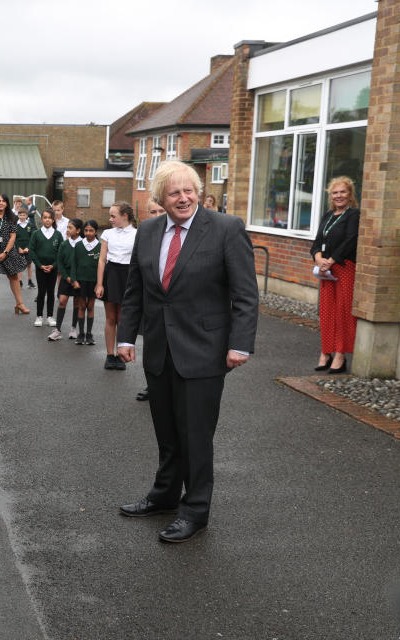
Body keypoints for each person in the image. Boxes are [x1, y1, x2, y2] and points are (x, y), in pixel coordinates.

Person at [116, 160, 258, 543]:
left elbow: (245, 294)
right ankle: (164, 495)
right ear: (160, 197)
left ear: (198, 192)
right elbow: (136, 291)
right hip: (160, 350)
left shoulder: (226, 229)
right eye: (175, 192)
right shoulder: (147, 231)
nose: (183, 198)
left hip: (205, 352)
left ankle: (194, 509)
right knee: (167, 431)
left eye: (189, 190)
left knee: (196, 435)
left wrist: (240, 343)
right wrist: (126, 337)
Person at [311, 176, 361, 374]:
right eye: (335, 192)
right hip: (326, 271)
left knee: (343, 312)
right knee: (326, 312)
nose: (339, 196)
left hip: (344, 268)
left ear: (350, 195)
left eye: (343, 192)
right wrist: (318, 258)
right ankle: (326, 352)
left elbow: (351, 240)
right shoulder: (328, 215)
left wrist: (330, 261)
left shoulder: (353, 214)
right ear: (330, 196)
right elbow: (316, 241)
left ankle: (341, 354)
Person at [95, 202, 137, 369]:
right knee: (111, 317)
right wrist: (99, 284)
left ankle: (121, 354)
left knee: (122, 318)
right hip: (111, 275)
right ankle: (109, 354)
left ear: (125, 216)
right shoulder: (107, 234)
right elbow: (101, 260)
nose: (110, 219)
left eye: (113, 216)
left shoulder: (137, 234)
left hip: (128, 275)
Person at [135, 199, 167, 401]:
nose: (157, 216)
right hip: (151, 303)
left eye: (161, 211)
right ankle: (152, 384)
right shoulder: (146, 233)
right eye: (152, 212)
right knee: (151, 346)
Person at [0, 193, 30, 315]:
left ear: (7, 203)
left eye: (3, 201)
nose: (1, 203)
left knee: (13, 276)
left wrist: (5, 252)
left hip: (8, 252)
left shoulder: (12, 217)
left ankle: (20, 304)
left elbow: (13, 236)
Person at [49, 218, 83, 341]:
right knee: (62, 301)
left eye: (70, 228)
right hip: (66, 278)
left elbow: (83, 264)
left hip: (78, 279)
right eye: (67, 227)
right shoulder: (64, 244)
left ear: (78, 230)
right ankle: (57, 330)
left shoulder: (83, 244)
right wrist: (67, 277)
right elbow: (60, 262)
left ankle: (74, 328)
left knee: (77, 303)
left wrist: (75, 280)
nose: (67, 230)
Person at [30, 208, 62, 329]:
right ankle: (39, 316)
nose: (47, 220)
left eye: (49, 217)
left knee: (51, 292)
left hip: (53, 269)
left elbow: (60, 252)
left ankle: (49, 316)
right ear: (42, 219)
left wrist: (53, 265)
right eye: (45, 217)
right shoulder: (36, 234)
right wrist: (40, 265)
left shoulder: (58, 235)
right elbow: (32, 251)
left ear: (53, 219)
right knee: (41, 292)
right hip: (40, 268)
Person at [71, 220, 101, 345]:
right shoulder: (78, 245)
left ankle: (89, 334)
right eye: (86, 230)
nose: (88, 233)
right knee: (82, 306)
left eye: (91, 230)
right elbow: (74, 264)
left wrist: (99, 283)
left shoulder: (100, 246)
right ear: (83, 231)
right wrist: (74, 280)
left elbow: (102, 266)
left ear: (96, 231)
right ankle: (81, 333)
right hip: (81, 281)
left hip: (93, 282)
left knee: (91, 306)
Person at [15, 208, 35, 288]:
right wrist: (18, 248)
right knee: (19, 265)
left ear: (27, 216)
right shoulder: (15, 225)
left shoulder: (30, 225)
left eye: (24, 215)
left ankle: (30, 281)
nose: (22, 216)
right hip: (19, 248)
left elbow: (32, 238)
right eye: (20, 215)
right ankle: (19, 281)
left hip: (28, 248)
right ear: (18, 215)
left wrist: (28, 247)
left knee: (29, 265)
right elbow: (14, 238)